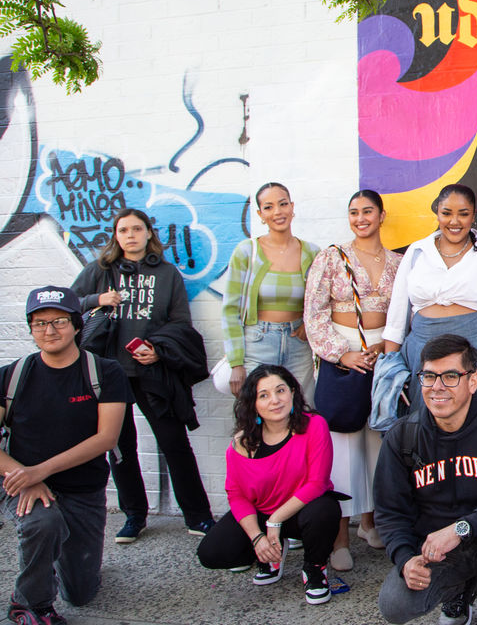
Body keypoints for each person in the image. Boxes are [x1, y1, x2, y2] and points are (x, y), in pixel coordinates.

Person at [374, 334, 477, 625]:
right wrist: (405, 559)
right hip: (438, 549)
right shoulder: (403, 436)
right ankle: (458, 592)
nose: (437, 387)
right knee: (394, 606)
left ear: (473, 381)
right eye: (429, 376)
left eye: (450, 376)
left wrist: (461, 528)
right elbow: (390, 511)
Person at [71, 207, 215, 544]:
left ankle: (198, 516)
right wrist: (97, 298)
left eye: (137, 229)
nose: (130, 235)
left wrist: (158, 350)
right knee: (120, 448)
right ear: (116, 236)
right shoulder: (100, 270)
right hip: (110, 374)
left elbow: (180, 322)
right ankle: (134, 515)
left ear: (149, 233)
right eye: (123, 230)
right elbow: (68, 303)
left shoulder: (166, 273)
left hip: (152, 371)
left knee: (174, 443)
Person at [1, 286, 127, 625]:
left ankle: (55, 559)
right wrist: (25, 477)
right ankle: (29, 603)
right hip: (22, 483)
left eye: (59, 321)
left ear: (76, 325)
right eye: (39, 323)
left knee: (81, 593)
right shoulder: (12, 376)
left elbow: (106, 438)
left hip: (82, 488)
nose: (49, 331)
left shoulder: (104, 372)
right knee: (43, 522)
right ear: (31, 328)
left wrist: (39, 471)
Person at [303, 189, 404, 571]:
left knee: (379, 442)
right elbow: (314, 313)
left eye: (368, 211)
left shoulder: (399, 263)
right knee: (341, 446)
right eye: (354, 212)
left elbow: (405, 312)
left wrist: (389, 349)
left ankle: (370, 522)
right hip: (343, 356)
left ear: (382, 215)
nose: (361, 218)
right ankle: (339, 537)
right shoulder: (331, 257)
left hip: (383, 355)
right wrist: (340, 352)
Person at [196, 365, 342, 606]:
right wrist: (257, 537)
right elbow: (236, 495)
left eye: (280, 391)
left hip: (300, 511)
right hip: (262, 514)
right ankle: (269, 554)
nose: (275, 400)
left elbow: (317, 483)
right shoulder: (242, 442)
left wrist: (275, 521)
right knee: (211, 553)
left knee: (325, 509)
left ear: (292, 392)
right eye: (263, 395)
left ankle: (314, 569)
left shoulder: (314, 425)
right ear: (253, 403)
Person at [383, 184, 477, 401]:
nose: (454, 221)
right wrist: (390, 367)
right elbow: (396, 317)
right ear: (437, 214)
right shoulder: (418, 251)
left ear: (473, 215)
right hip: (421, 353)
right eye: (446, 213)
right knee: (426, 416)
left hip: (474, 352)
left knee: (473, 415)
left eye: (463, 214)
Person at [222, 182, 321, 398]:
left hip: (299, 346)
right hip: (257, 344)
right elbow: (230, 310)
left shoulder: (312, 252)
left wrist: (308, 325)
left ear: (292, 207)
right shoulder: (246, 252)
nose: (277, 212)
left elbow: (323, 300)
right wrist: (236, 362)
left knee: (301, 406)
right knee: (258, 408)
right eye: (268, 207)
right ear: (260, 214)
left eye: (283, 204)